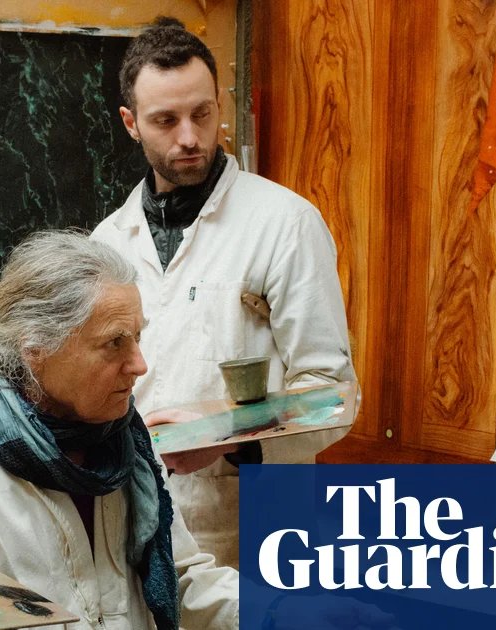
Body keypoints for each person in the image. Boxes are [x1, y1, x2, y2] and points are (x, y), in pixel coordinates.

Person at [90, 17, 357, 570]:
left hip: (251, 523)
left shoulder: (284, 224)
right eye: (166, 120)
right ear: (131, 123)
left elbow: (333, 395)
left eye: (203, 113)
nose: (190, 137)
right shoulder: (107, 243)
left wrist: (227, 439)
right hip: (132, 521)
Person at [0, 230, 238, 629]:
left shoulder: (128, 447)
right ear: (35, 348)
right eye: (114, 343)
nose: (140, 364)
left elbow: (182, 577)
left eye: (137, 337)